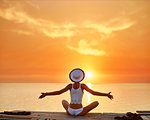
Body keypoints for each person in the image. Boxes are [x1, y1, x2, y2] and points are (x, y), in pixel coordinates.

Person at [39, 68, 113, 116]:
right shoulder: (83, 86)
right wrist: (106, 95)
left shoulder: (70, 86)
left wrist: (46, 94)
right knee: (96, 102)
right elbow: (93, 93)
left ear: (72, 78)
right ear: (81, 78)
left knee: (63, 101)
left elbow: (59, 92)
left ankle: (72, 111)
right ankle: (78, 111)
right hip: (80, 112)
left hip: (70, 111)